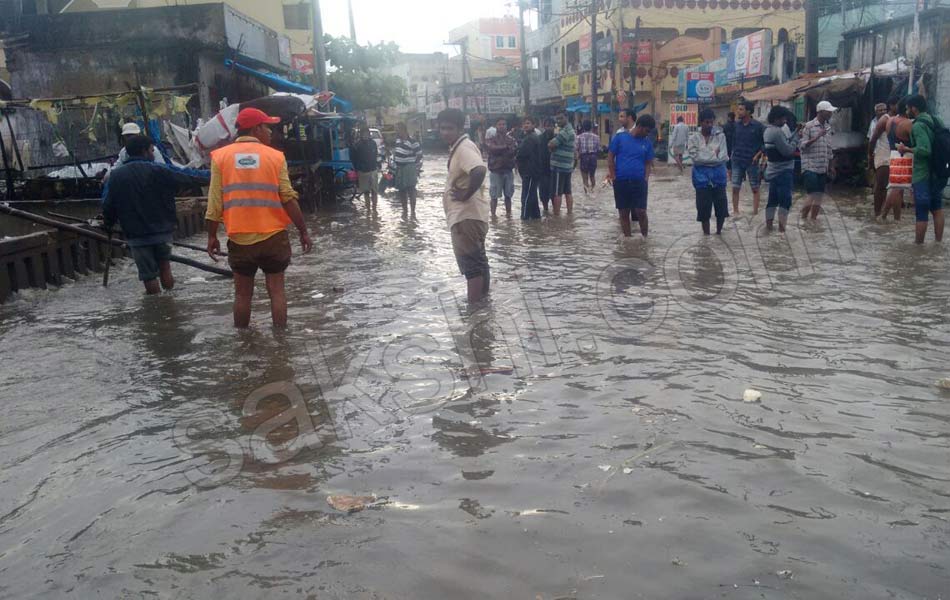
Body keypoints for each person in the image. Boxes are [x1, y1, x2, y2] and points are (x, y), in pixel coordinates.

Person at [205, 108, 313, 329]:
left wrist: (212, 236)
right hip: (273, 238)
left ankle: (243, 344)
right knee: (277, 292)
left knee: (243, 296)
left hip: (239, 239)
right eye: (267, 127)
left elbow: (214, 202)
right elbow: (288, 198)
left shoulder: (221, 157)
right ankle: (281, 344)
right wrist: (303, 231)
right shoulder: (275, 157)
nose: (271, 132)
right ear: (256, 129)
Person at [102, 134, 206, 294]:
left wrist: (108, 224)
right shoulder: (159, 170)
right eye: (151, 150)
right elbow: (187, 179)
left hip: (136, 235)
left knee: (148, 275)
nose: (153, 153)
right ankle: (170, 302)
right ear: (144, 151)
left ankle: (158, 309)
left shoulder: (116, 176)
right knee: (165, 267)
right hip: (162, 231)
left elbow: (108, 205)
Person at [438, 108, 490, 303]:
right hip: (472, 216)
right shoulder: (460, 147)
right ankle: (484, 305)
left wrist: (465, 194)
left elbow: (479, 170)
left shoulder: (463, 148)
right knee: (480, 262)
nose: (445, 132)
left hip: (465, 217)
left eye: (450, 128)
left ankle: (474, 312)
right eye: (442, 128)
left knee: (472, 267)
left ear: (460, 128)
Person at [897, 94, 946, 244]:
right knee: (937, 208)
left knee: (922, 211)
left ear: (914, 108)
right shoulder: (937, 120)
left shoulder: (918, 125)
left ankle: (918, 247)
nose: (907, 111)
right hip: (938, 172)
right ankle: (938, 243)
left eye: (908, 108)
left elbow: (925, 150)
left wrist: (906, 148)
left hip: (923, 175)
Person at [608, 113, 654, 238]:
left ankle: (645, 239)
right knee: (623, 213)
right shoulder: (620, 138)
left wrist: (646, 178)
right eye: (647, 130)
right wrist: (613, 176)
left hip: (639, 182)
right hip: (621, 181)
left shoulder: (647, 143)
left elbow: (648, 163)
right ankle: (628, 240)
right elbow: (611, 156)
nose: (647, 133)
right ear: (639, 126)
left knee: (641, 212)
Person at [687, 108, 729, 235]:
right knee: (703, 210)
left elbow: (723, 157)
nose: (709, 125)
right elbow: (695, 158)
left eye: (711, 122)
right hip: (701, 180)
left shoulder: (720, 136)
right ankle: (706, 236)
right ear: (701, 122)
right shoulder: (693, 138)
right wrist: (713, 154)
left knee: (721, 209)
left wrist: (704, 155)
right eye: (707, 122)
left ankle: (719, 233)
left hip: (719, 178)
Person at [763, 106, 801, 232]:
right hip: (783, 171)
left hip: (772, 171)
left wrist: (795, 133)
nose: (785, 121)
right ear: (776, 118)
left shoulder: (768, 131)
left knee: (772, 201)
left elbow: (784, 143)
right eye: (783, 118)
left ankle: (769, 228)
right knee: (785, 202)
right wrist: (796, 139)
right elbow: (788, 151)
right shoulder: (777, 132)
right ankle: (781, 231)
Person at [799, 100, 836, 221]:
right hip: (810, 166)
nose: (831, 113)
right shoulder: (809, 126)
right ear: (820, 112)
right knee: (812, 194)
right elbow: (802, 146)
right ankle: (803, 219)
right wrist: (817, 136)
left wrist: (831, 166)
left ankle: (813, 220)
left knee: (819, 196)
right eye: (828, 111)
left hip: (823, 167)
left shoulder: (828, 128)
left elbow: (829, 149)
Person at [868, 96, 900, 219]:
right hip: (883, 157)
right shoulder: (884, 120)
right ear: (892, 106)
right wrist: (870, 156)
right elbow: (872, 140)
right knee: (881, 186)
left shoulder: (899, 119)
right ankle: (877, 214)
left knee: (895, 189)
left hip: (895, 157)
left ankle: (891, 217)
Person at [730, 101, 765, 215]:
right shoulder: (735, 125)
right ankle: (736, 212)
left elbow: (765, 143)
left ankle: (755, 212)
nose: (738, 111)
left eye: (741, 109)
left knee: (755, 187)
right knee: (735, 187)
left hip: (752, 161)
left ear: (748, 112)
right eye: (738, 109)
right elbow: (732, 142)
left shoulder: (758, 126)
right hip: (737, 160)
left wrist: (758, 155)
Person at [484, 117, 518, 217]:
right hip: (496, 171)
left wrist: (502, 149)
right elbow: (491, 149)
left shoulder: (511, 139)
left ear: (506, 126)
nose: (502, 126)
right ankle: (493, 216)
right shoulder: (491, 139)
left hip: (508, 170)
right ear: (496, 126)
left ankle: (509, 216)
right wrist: (505, 147)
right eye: (500, 124)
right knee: (494, 196)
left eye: (504, 124)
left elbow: (514, 150)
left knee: (508, 196)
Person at [548, 111, 576, 215]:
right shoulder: (570, 130)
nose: (558, 121)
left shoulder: (565, 131)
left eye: (561, 118)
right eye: (557, 119)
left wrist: (551, 146)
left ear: (567, 118)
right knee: (568, 191)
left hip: (559, 166)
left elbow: (551, 144)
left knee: (557, 192)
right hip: (568, 166)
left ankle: (556, 216)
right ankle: (569, 214)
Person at [516, 116, 543, 221]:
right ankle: (536, 217)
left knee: (526, 196)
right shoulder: (529, 137)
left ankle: (524, 217)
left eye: (528, 123)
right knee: (532, 195)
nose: (525, 125)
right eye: (524, 123)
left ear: (533, 125)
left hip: (530, 172)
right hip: (531, 171)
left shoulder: (531, 138)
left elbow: (521, 154)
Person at [393, 122, 423, 215]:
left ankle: (413, 211)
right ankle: (405, 211)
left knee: (411, 189)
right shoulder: (397, 141)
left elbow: (419, 155)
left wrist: (414, 165)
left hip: (409, 167)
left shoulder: (413, 142)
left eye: (397, 130)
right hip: (399, 167)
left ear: (403, 130)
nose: (396, 132)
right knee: (401, 190)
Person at [351, 125, 380, 211]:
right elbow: (354, 159)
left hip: (373, 169)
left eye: (367, 133)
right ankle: (368, 210)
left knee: (374, 191)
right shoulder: (357, 145)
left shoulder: (373, 143)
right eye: (364, 134)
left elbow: (376, 155)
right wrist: (358, 169)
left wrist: (377, 165)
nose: (366, 135)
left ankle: (374, 209)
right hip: (363, 172)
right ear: (361, 134)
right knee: (366, 192)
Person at [575, 120, 600, 194]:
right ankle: (592, 191)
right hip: (593, 157)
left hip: (584, 157)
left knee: (585, 178)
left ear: (583, 127)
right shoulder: (596, 137)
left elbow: (576, 148)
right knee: (592, 176)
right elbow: (598, 149)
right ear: (591, 127)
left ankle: (586, 194)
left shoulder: (579, 137)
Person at [538, 117, 556, 212]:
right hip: (543, 170)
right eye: (547, 126)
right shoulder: (539, 138)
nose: (549, 128)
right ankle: (545, 211)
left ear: (554, 126)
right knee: (544, 193)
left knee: (555, 193)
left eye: (551, 126)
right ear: (544, 127)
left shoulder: (557, 138)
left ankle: (555, 212)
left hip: (555, 170)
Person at [723, 111, 736, 180]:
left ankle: (730, 177)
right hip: (737, 145)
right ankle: (741, 176)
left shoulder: (725, 126)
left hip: (728, 145)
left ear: (729, 117)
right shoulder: (738, 125)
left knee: (728, 161)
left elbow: (723, 136)